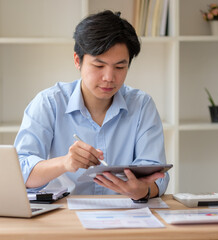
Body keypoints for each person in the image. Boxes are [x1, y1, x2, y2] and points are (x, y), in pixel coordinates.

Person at [14, 10, 169, 201]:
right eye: (99, 66)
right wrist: (65, 163)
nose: (109, 78)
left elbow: (157, 176)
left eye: (120, 67)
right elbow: (19, 171)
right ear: (78, 61)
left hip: (125, 215)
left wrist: (142, 190)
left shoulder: (142, 105)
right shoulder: (49, 103)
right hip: (63, 215)